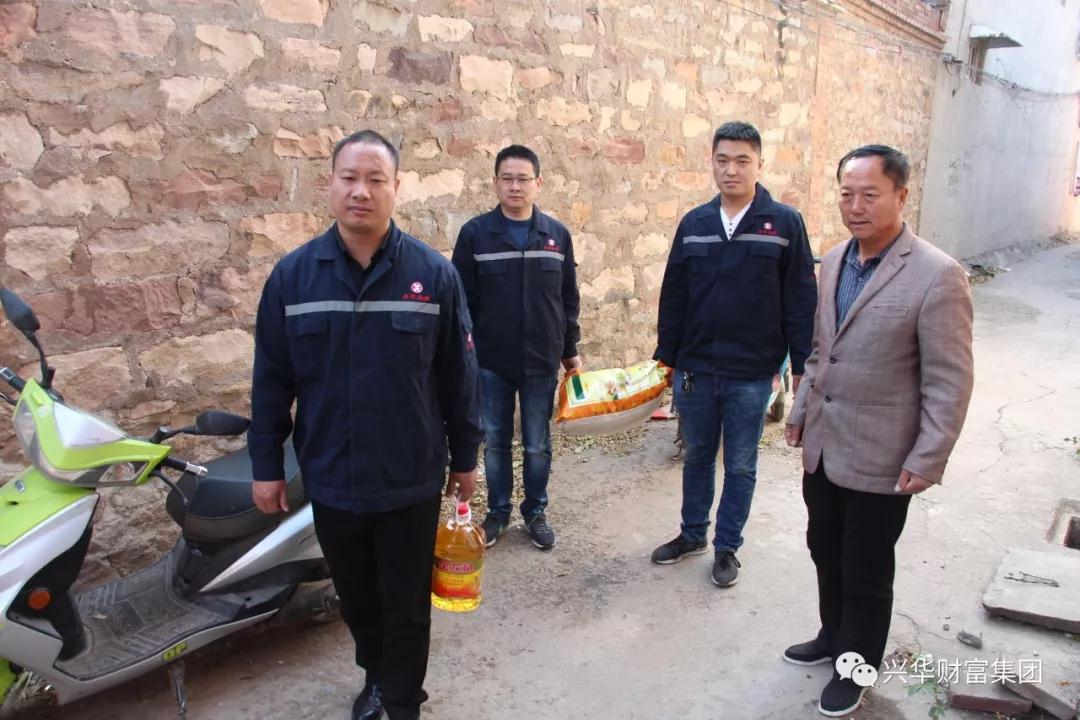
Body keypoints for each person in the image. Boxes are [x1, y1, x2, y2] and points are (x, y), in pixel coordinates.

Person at [248, 129, 482, 720]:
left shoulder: (434, 276)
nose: (361, 191)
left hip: (409, 475)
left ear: (396, 188)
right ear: (330, 184)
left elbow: (459, 378)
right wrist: (266, 466)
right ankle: (376, 675)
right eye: (349, 178)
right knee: (356, 597)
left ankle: (402, 700)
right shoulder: (293, 278)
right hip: (331, 475)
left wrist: (466, 459)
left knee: (407, 601)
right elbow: (271, 380)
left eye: (375, 180)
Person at [783, 145, 974, 717]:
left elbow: (949, 380)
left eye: (870, 194)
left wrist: (929, 455)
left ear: (901, 196)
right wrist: (800, 411)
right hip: (825, 444)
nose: (856, 206)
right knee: (824, 547)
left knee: (865, 566)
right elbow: (821, 349)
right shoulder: (834, 259)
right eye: (847, 194)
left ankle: (856, 665)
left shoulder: (937, 275)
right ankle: (832, 634)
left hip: (885, 453)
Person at [652, 120, 818, 587]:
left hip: (752, 373)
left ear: (759, 165)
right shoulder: (695, 224)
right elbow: (674, 295)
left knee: (741, 463)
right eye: (722, 160)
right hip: (697, 370)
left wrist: (801, 366)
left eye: (742, 160)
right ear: (712, 163)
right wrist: (667, 358)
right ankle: (692, 535)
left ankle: (727, 548)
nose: (731, 170)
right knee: (698, 457)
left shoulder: (783, 223)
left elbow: (800, 299)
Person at [451, 145, 581, 551]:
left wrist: (570, 351)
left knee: (537, 443)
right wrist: (465, 355)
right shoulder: (476, 235)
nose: (515, 186)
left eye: (523, 179)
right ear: (495, 183)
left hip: (541, 359)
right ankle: (498, 512)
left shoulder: (556, 236)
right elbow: (460, 302)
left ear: (538, 183)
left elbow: (567, 298)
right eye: (506, 178)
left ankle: (536, 512)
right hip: (491, 360)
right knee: (496, 441)